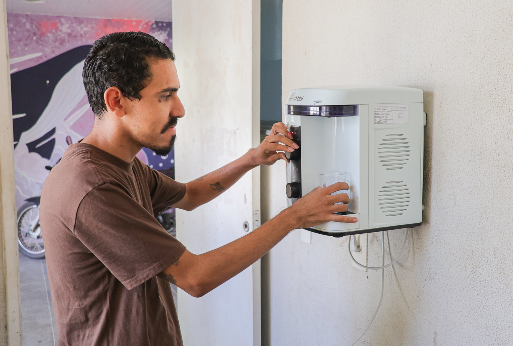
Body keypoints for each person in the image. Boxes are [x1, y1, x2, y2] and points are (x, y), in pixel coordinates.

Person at [40, 31, 357, 346]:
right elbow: (194, 277)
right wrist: (294, 217)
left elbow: (189, 195)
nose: (179, 109)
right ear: (116, 101)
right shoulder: (91, 184)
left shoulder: (121, 165)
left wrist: (253, 158)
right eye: (165, 96)